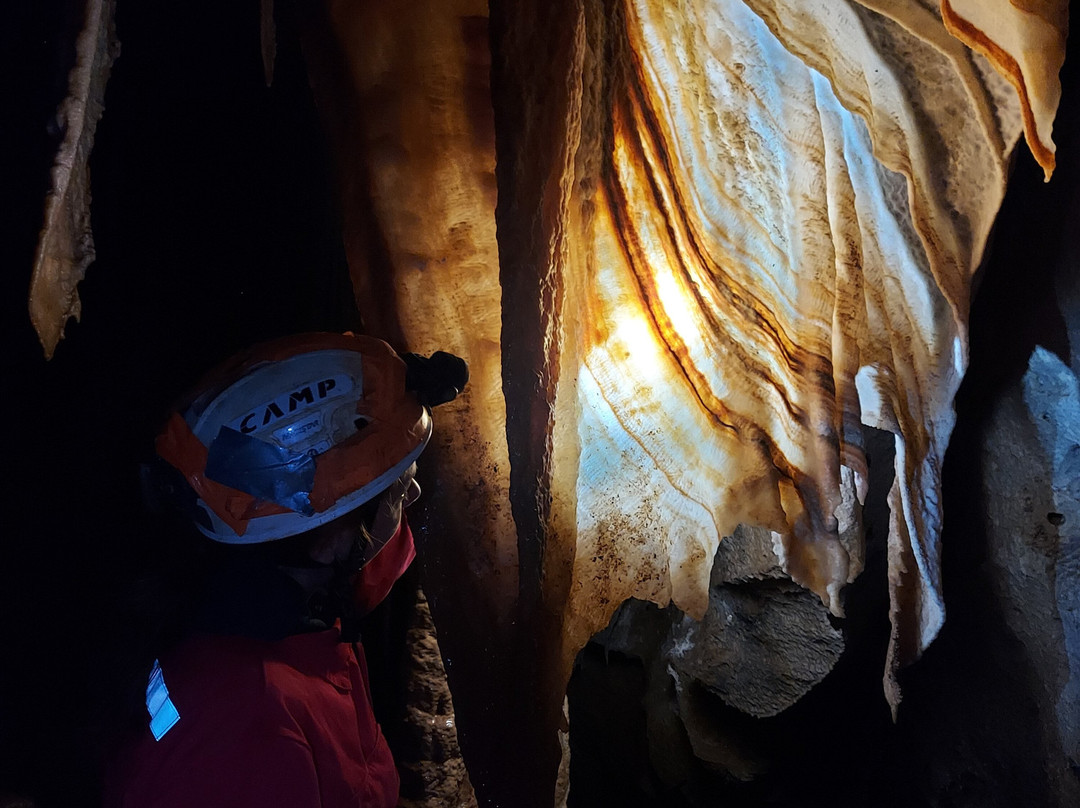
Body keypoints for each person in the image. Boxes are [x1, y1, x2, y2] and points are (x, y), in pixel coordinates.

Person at [104, 332, 467, 808]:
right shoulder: (250, 731)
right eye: (399, 492)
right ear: (332, 541)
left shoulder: (292, 620)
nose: (414, 500)